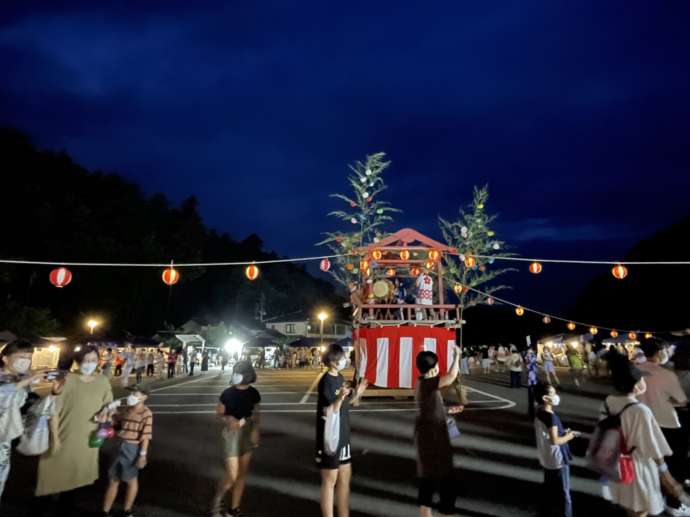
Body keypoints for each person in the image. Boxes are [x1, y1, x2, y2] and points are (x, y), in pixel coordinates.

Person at [602, 351, 686, 517]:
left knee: (630, 507)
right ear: (636, 385)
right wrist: (668, 478)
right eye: (642, 379)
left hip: (617, 464)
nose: (644, 381)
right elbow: (654, 448)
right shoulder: (640, 411)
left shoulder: (610, 402)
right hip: (637, 467)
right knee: (640, 509)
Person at [36, 345, 114, 510]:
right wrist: (55, 438)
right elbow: (53, 411)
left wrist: (106, 414)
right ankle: (42, 505)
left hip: (87, 437)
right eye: (86, 360)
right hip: (63, 435)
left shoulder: (102, 381)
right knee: (52, 473)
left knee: (75, 476)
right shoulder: (68, 380)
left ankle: (66, 505)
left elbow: (109, 405)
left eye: (93, 360)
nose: (90, 363)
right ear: (78, 362)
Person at [637, 340, 690, 516]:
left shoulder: (636, 370)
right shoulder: (666, 374)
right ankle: (674, 505)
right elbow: (682, 401)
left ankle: (653, 501)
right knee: (676, 465)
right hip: (669, 424)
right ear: (659, 352)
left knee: (654, 463)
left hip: (646, 423)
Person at [316, 344, 368, 517]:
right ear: (332, 361)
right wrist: (341, 397)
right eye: (343, 357)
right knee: (330, 481)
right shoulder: (326, 382)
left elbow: (346, 405)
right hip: (330, 437)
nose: (346, 360)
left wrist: (357, 394)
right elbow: (330, 410)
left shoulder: (339, 377)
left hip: (343, 434)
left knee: (345, 479)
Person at [0, 339, 54, 502]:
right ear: (5, 358)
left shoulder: (22, 379)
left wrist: (54, 393)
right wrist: (27, 380)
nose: (26, 361)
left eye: (29, 357)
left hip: (5, 438)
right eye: (21, 357)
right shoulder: (13, 379)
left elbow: (28, 407)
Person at [415, 346, 462, 517]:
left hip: (427, 443)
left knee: (426, 490)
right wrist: (457, 356)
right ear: (433, 368)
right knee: (446, 490)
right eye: (437, 366)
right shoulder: (428, 384)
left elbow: (430, 408)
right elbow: (450, 377)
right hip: (435, 444)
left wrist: (447, 411)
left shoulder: (421, 382)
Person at [210, 361, 261, 517]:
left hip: (248, 431)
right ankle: (217, 502)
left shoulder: (254, 393)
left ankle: (234, 509)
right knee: (232, 474)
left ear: (247, 375)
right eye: (235, 372)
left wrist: (256, 431)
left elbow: (257, 413)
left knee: (242, 474)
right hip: (231, 434)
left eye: (238, 372)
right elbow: (219, 414)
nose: (235, 375)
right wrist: (227, 419)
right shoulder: (227, 393)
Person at [103, 384, 153, 517]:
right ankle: (105, 511)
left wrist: (142, 455)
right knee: (113, 479)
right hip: (118, 445)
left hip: (132, 448)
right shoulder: (127, 409)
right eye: (131, 393)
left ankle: (127, 510)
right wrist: (112, 414)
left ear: (144, 397)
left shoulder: (146, 413)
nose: (131, 396)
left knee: (131, 480)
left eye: (135, 394)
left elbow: (146, 436)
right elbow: (118, 425)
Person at [534, 383, 577, 517]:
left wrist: (563, 431)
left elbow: (549, 434)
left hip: (546, 458)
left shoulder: (539, 412)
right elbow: (555, 440)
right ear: (546, 398)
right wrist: (570, 435)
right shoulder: (551, 417)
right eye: (553, 394)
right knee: (565, 493)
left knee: (549, 490)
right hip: (558, 459)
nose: (556, 396)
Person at [525, 346, 539, 418]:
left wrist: (530, 357)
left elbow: (533, 362)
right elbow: (527, 364)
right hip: (530, 379)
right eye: (528, 351)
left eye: (530, 350)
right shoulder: (528, 356)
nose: (529, 352)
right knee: (531, 397)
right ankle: (531, 412)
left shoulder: (533, 356)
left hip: (534, 379)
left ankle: (534, 412)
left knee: (534, 396)